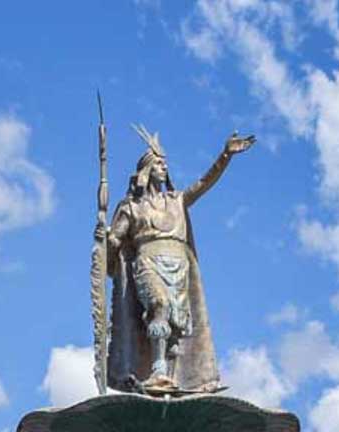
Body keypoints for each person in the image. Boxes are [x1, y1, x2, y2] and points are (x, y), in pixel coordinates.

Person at [102, 126, 255, 394]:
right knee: (158, 305)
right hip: (147, 261)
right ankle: (158, 370)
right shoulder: (132, 206)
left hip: (178, 264)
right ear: (146, 169)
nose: (164, 168)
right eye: (159, 163)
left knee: (175, 325)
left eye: (165, 164)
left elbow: (203, 184)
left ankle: (170, 378)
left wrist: (225, 156)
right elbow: (115, 241)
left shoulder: (177, 200)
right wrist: (106, 240)